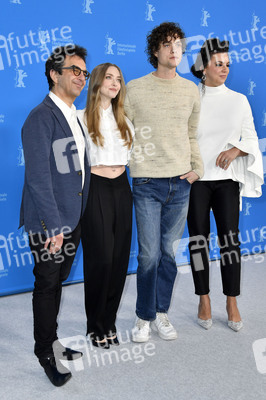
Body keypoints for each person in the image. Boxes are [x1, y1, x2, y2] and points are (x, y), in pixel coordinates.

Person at [124, 22, 204, 343]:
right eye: (167, 45)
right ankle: (143, 317)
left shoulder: (190, 90)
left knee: (169, 253)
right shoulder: (134, 88)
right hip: (146, 182)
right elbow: (120, 130)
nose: (174, 51)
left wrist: (197, 167)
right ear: (155, 50)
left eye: (179, 46)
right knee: (148, 255)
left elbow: (191, 135)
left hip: (181, 183)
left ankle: (161, 312)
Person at [19, 44, 91, 386]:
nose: (81, 77)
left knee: (57, 281)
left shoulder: (74, 115)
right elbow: (37, 177)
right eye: (74, 70)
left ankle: (54, 340)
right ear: (55, 74)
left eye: (84, 72)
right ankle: (44, 352)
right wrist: (54, 227)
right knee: (47, 285)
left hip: (71, 218)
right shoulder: (40, 117)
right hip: (51, 224)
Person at [188, 38, 264, 331]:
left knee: (230, 243)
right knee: (197, 243)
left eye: (227, 64)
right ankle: (203, 298)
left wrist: (235, 150)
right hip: (196, 181)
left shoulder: (239, 100)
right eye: (218, 64)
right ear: (203, 67)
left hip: (227, 182)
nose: (225, 69)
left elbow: (251, 139)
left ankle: (231, 299)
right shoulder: (191, 97)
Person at [78, 63, 134, 349]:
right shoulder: (80, 118)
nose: (115, 83)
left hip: (123, 188)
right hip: (96, 188)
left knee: (120, 259)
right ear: (97, 82)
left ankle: (109, 321)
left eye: (119, 79)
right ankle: (95, 324)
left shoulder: (125, 119)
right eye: (109, 78)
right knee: (101, 259)